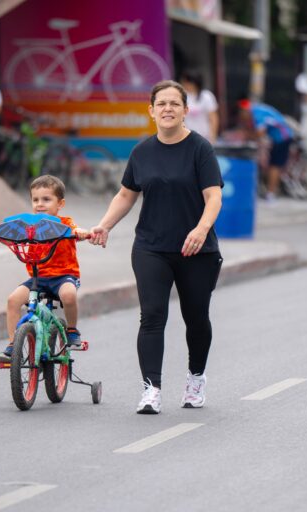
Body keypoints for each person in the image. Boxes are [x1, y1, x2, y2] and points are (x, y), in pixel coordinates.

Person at [89, 80, 223, 414]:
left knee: (196, 318)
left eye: (174, 104)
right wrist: (103, 226)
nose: (167, 109)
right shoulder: (142, 152)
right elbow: (126, 194)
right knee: (151, 317)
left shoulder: (200, 149)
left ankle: (195, 379)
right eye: (161, 104)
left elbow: (213, 195)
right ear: (151, 111)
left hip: (196, 250)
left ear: (185, 111)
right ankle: (152, 389)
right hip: (151, 247)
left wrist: (201, 229)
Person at [0, 175, 89, 362]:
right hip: (38, 278)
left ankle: (71, 330)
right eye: (35, 200)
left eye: (46, 199)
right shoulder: (30, 225)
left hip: (64, 276)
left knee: (69, 295)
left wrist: (80, 232)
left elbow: (77, 229)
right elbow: (12, 231)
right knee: (13, 300)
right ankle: (13, 345)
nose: (40, 204)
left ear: (60, 203)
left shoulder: (65, 223)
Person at [237, 98, 294, 202]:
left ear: (245, 111)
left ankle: (271, 194)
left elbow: (260, 133)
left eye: (242, 115)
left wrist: (248, 136)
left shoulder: (257, 114)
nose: (243, 118)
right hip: (276, 138)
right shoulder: (256, 110)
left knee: (274, 165)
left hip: (282, 137)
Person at [179, 70, 219, 144]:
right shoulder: (181, 97)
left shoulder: (207, 96)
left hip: (205, 137)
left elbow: (213, 118)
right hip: (187, 138)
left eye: (185, 82)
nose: (183, 84)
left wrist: (213, 137)